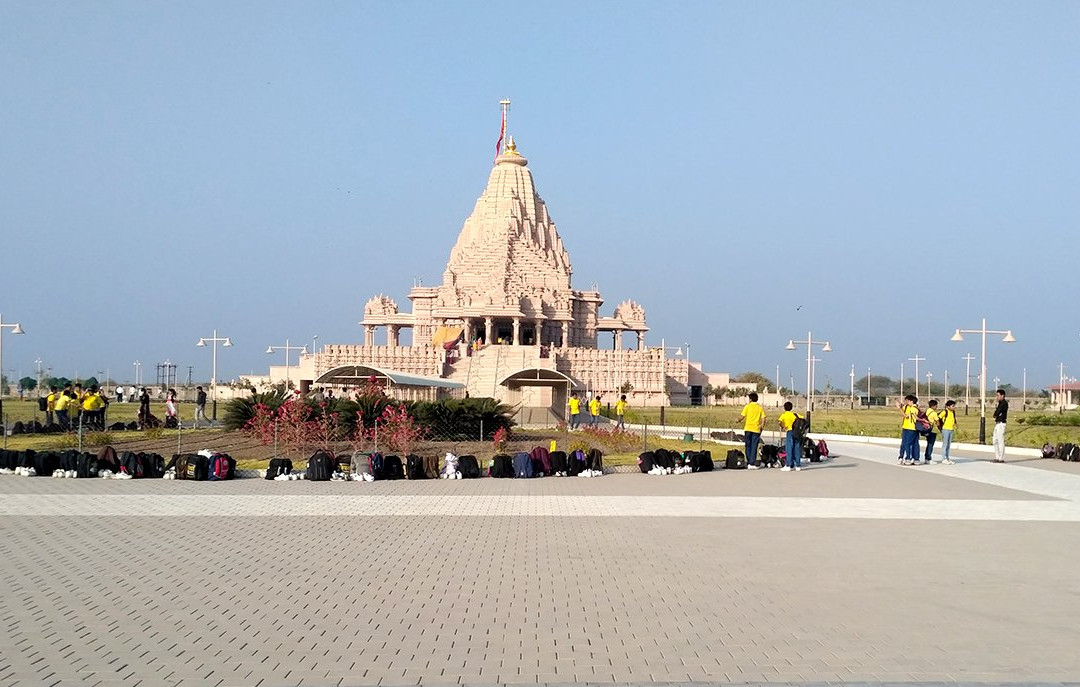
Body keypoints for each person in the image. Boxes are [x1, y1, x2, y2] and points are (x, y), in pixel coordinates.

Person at [740, 392, 766, 469]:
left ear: (750, 399)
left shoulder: (747, 406)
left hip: (748, 428)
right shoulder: (760, 407)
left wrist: (738, 420)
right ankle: (752, 462)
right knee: (754, 446)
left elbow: (742, 416)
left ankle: (749, 462)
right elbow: (764, 418)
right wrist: (762, 426)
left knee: (748, 445)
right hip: (756, 429)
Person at [776, 401, 801, 471]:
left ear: (784, 408)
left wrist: (783, 427)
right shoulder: (795, 415)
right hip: (797, 432)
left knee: (789, 448)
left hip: (789, 431)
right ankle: (798, 465)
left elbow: (779, 422)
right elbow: (802, 418)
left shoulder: (784, 415)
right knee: (797, 448)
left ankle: (788, 465)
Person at [899, 395, 920, 465]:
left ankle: (909, 458)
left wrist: (899, 408)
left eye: (908, 401)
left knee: (908, 443)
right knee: (915, 443)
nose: (907, 402)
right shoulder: (914, 407)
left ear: (911, 401)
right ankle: (916, 459)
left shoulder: (913, 408)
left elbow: (906, 416)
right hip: (911, 427)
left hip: (911, 428)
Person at [992, 389, 1008, 463]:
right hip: (997, 423)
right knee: (995, 440)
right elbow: (996, 413)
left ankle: (1001, 458)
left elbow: (998, 412)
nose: (997, 397)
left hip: (1001, 424)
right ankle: (997, 456)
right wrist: (996, 414)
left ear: (1002, 395)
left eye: (998, 395)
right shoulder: (999, 403)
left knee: (1000, 441)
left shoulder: (1004, 404)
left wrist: (996, 414)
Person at [939, 400, 957, 464]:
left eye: (954, 406)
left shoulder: (952, 412)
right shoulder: (945, 412)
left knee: (948, 445)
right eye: (952, 406)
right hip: (945, 429)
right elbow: (938, 418)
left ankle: (947, 458)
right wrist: (940, 427)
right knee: (945, 444)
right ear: (948, 406)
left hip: (951, 429)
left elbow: (953, 419)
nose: (954, 407)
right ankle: (944, 458)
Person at [923, 400, 940, 464]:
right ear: (933, 406)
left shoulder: (927, 411)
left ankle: (926, 458)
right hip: (931, 430)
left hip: (925, 429)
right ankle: (928, 458)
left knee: (928, 444)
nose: (936, 407)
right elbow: (937, 423)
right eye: (936, 406)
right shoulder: (934, 413)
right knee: (930, 444)